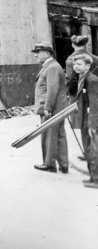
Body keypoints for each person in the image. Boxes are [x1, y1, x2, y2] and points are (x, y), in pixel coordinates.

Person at [31, 41, 69, 173]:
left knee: (49, 136)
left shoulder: (51, 67)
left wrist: (47, 108)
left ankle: (49, 164)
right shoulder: (51, 66)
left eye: (38, 52)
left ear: (47, 53)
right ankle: (63, 164)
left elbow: (52, 89)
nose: (36, 56)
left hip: (52, 109)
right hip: (57, 108)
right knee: (58, 135)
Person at [65, 35, 98, 160]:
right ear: (86, 45)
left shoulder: (72, 59)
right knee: (92, 123)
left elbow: (69, 79)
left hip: (80, 96)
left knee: (84, 124)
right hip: (94, 93)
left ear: (73, 45)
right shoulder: (95, 58)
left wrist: (70, 94)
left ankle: (89, 153)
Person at [71, 53, 98, 188]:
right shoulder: (82, 78)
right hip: (84, 120)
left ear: (88, 66)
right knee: (87, 150)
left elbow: (94, 103)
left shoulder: (91, 80)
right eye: (74, 64)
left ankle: (96, 179)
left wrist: (93, 124)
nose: (76, 66)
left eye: (79, 64)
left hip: (91, 122)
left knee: (94, 151)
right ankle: (93, 177)